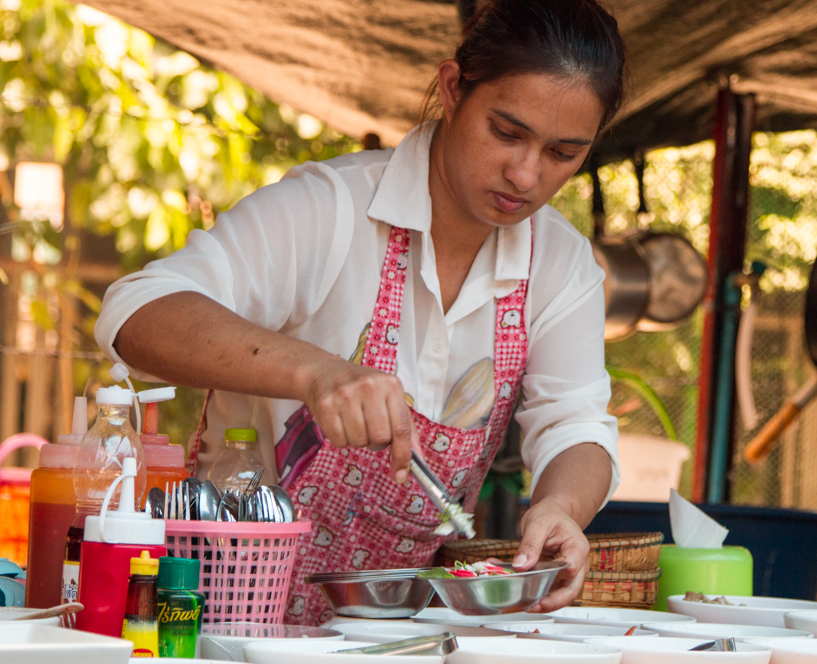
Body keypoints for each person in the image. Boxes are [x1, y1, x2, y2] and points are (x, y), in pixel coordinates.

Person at [95, 0, 627, 625]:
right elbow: (136, 312)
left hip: (391, 632)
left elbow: (577, 424)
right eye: (506, 132)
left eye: (564, 153)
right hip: (223, 621)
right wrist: (316, 373)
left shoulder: (558, 261)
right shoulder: (334, 209)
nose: (526, 173)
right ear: (453, 89)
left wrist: (562, 505)